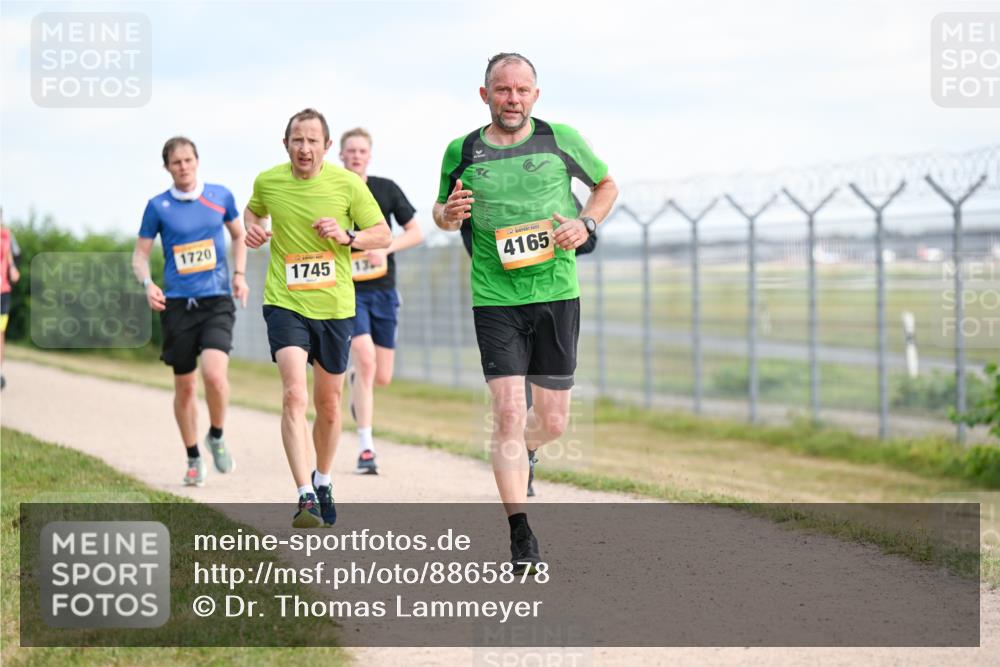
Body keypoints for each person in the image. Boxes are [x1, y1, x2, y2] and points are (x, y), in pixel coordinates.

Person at [433, 53, 618, 572]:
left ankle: (527, 452)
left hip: (557, 291)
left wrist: (586, 225)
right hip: (495, 297)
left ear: (535, 95)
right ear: (484, 94)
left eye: (521, 90)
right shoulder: (462, 150)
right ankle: (521, 535)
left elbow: (606, 186)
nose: (511, 99)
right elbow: (442, 212)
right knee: (509, 413)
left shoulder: (560, 139)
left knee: (553, 422)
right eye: (502, 90)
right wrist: (446, 216)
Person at [244, 109, 390, 528]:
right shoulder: (268, 181)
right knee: (294, 395)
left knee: (328, 405)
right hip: (285, 300)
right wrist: (254, 229)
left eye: (312, 141)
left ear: (327, 147)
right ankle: (304, 495)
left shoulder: (347, 184)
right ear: (285, 143)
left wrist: (347, 236)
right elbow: (252, 213)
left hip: (335, 307)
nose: (304, 148)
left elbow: (382, 233)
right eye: (296, 140)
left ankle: (322, 479)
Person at [133, 136, 248, 487]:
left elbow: (239, 236)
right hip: (178, 305)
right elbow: (139, 255)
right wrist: (148, 284)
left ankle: (216, 434)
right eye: (176, 162)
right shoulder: (157, 206)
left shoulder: (220, 197)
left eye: (188, 160)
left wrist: (239, 274)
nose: (183, 167)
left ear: (198, 161)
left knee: (214, 375)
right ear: (167, 167)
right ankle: (194, 458)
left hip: (216, 301)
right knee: (184, 387)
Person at [460, 207, 598, 498]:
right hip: (503, 303)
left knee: (552, 420)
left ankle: (525, 448)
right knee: (512, 408)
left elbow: (588, 240)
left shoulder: (553, 189)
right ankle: (518, 503)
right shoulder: (488, 190)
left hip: (552, 302)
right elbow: (468, 235)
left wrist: (569, 236)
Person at [339, 127, 424, 474]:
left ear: (369, 155)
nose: (356, 155)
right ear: (341, 155)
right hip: (348, 291)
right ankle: (366, 449)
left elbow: (416, 232)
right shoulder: (332, 191)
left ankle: (357, 384)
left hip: (384, 291)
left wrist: (383, 248)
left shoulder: (386, 189)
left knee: (381, 375)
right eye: (350, 151)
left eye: (362, 150)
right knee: (365, 357)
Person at [0, 213, 21, 391]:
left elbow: (9, 257)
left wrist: (13, 269)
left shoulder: (6, 235)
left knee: (0, 332)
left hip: (3, 293)